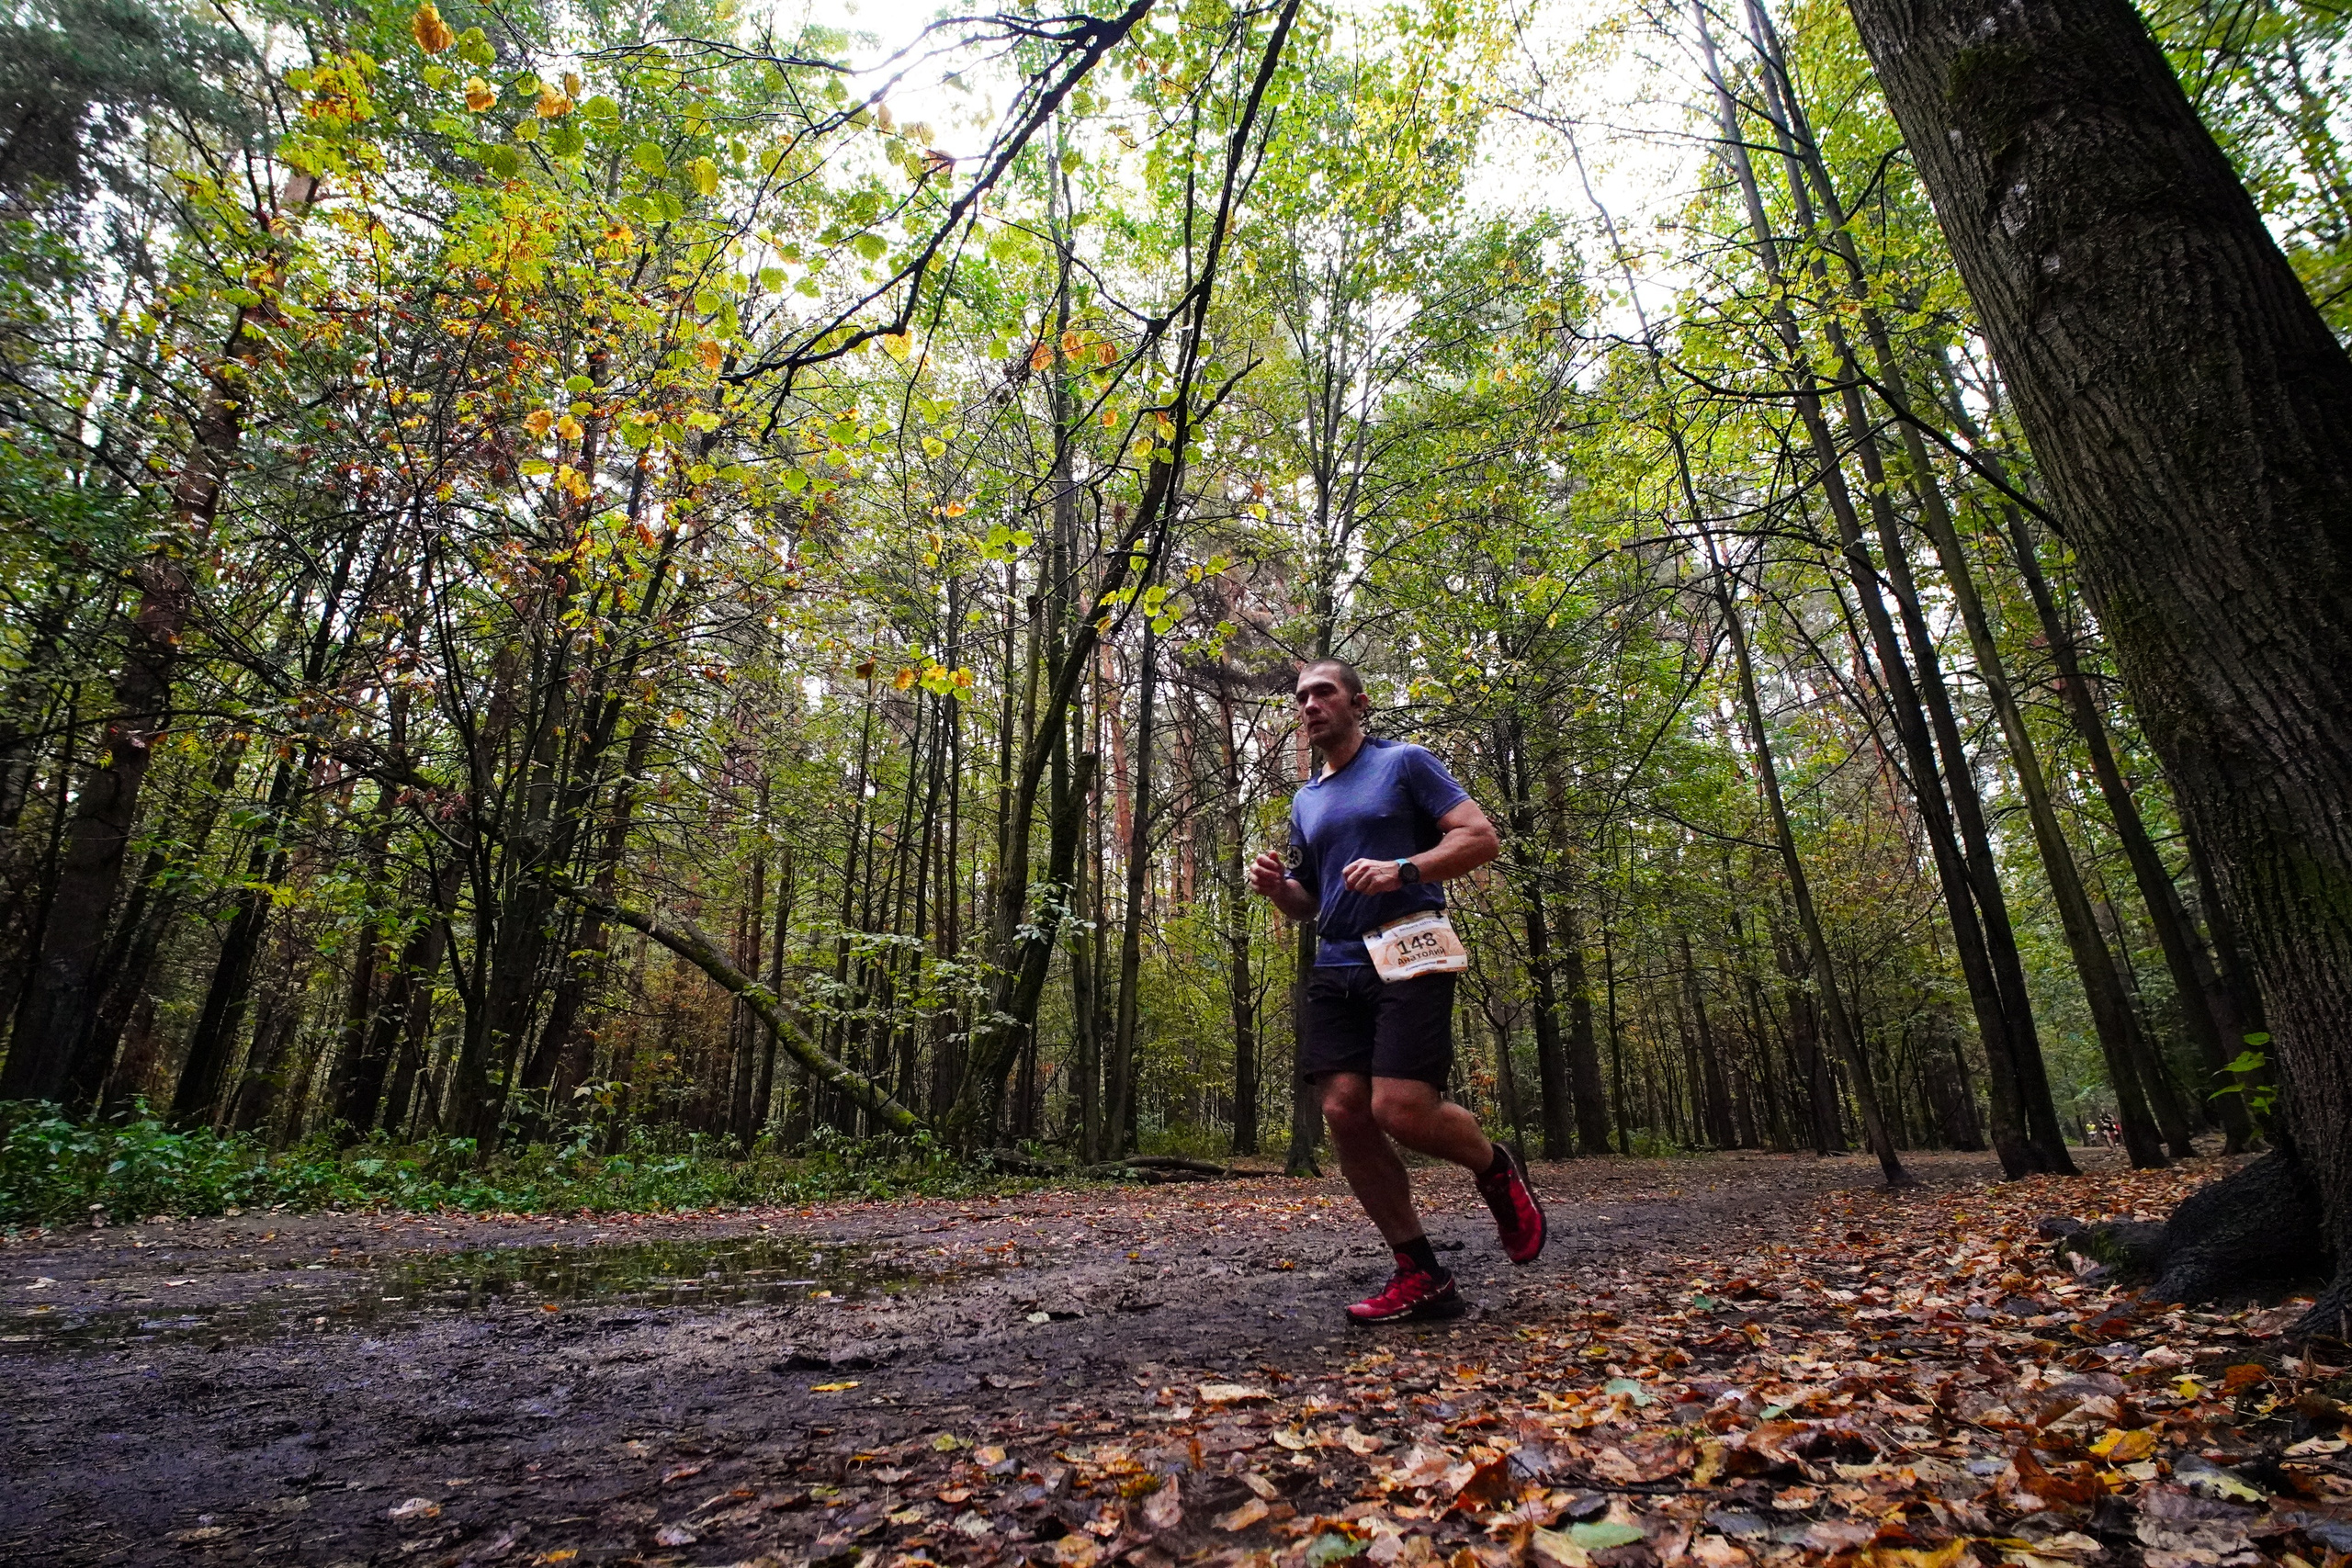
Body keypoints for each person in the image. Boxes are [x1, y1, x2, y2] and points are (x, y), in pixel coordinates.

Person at [1247, 658, 1546, 1325]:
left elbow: (1480, 838)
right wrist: (1277, 886)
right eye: (1301, 697)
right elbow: (1309, 899)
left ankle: (1493, 1166)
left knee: (1401, 1109)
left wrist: (1403, 867)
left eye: (1323, 692)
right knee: (1346, 1112)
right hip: (1336, 962)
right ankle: (1421, 1271)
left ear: (1358, 701)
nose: (1309, 704)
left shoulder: (1405, 762)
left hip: (1410, 945)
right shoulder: (1307, 799)